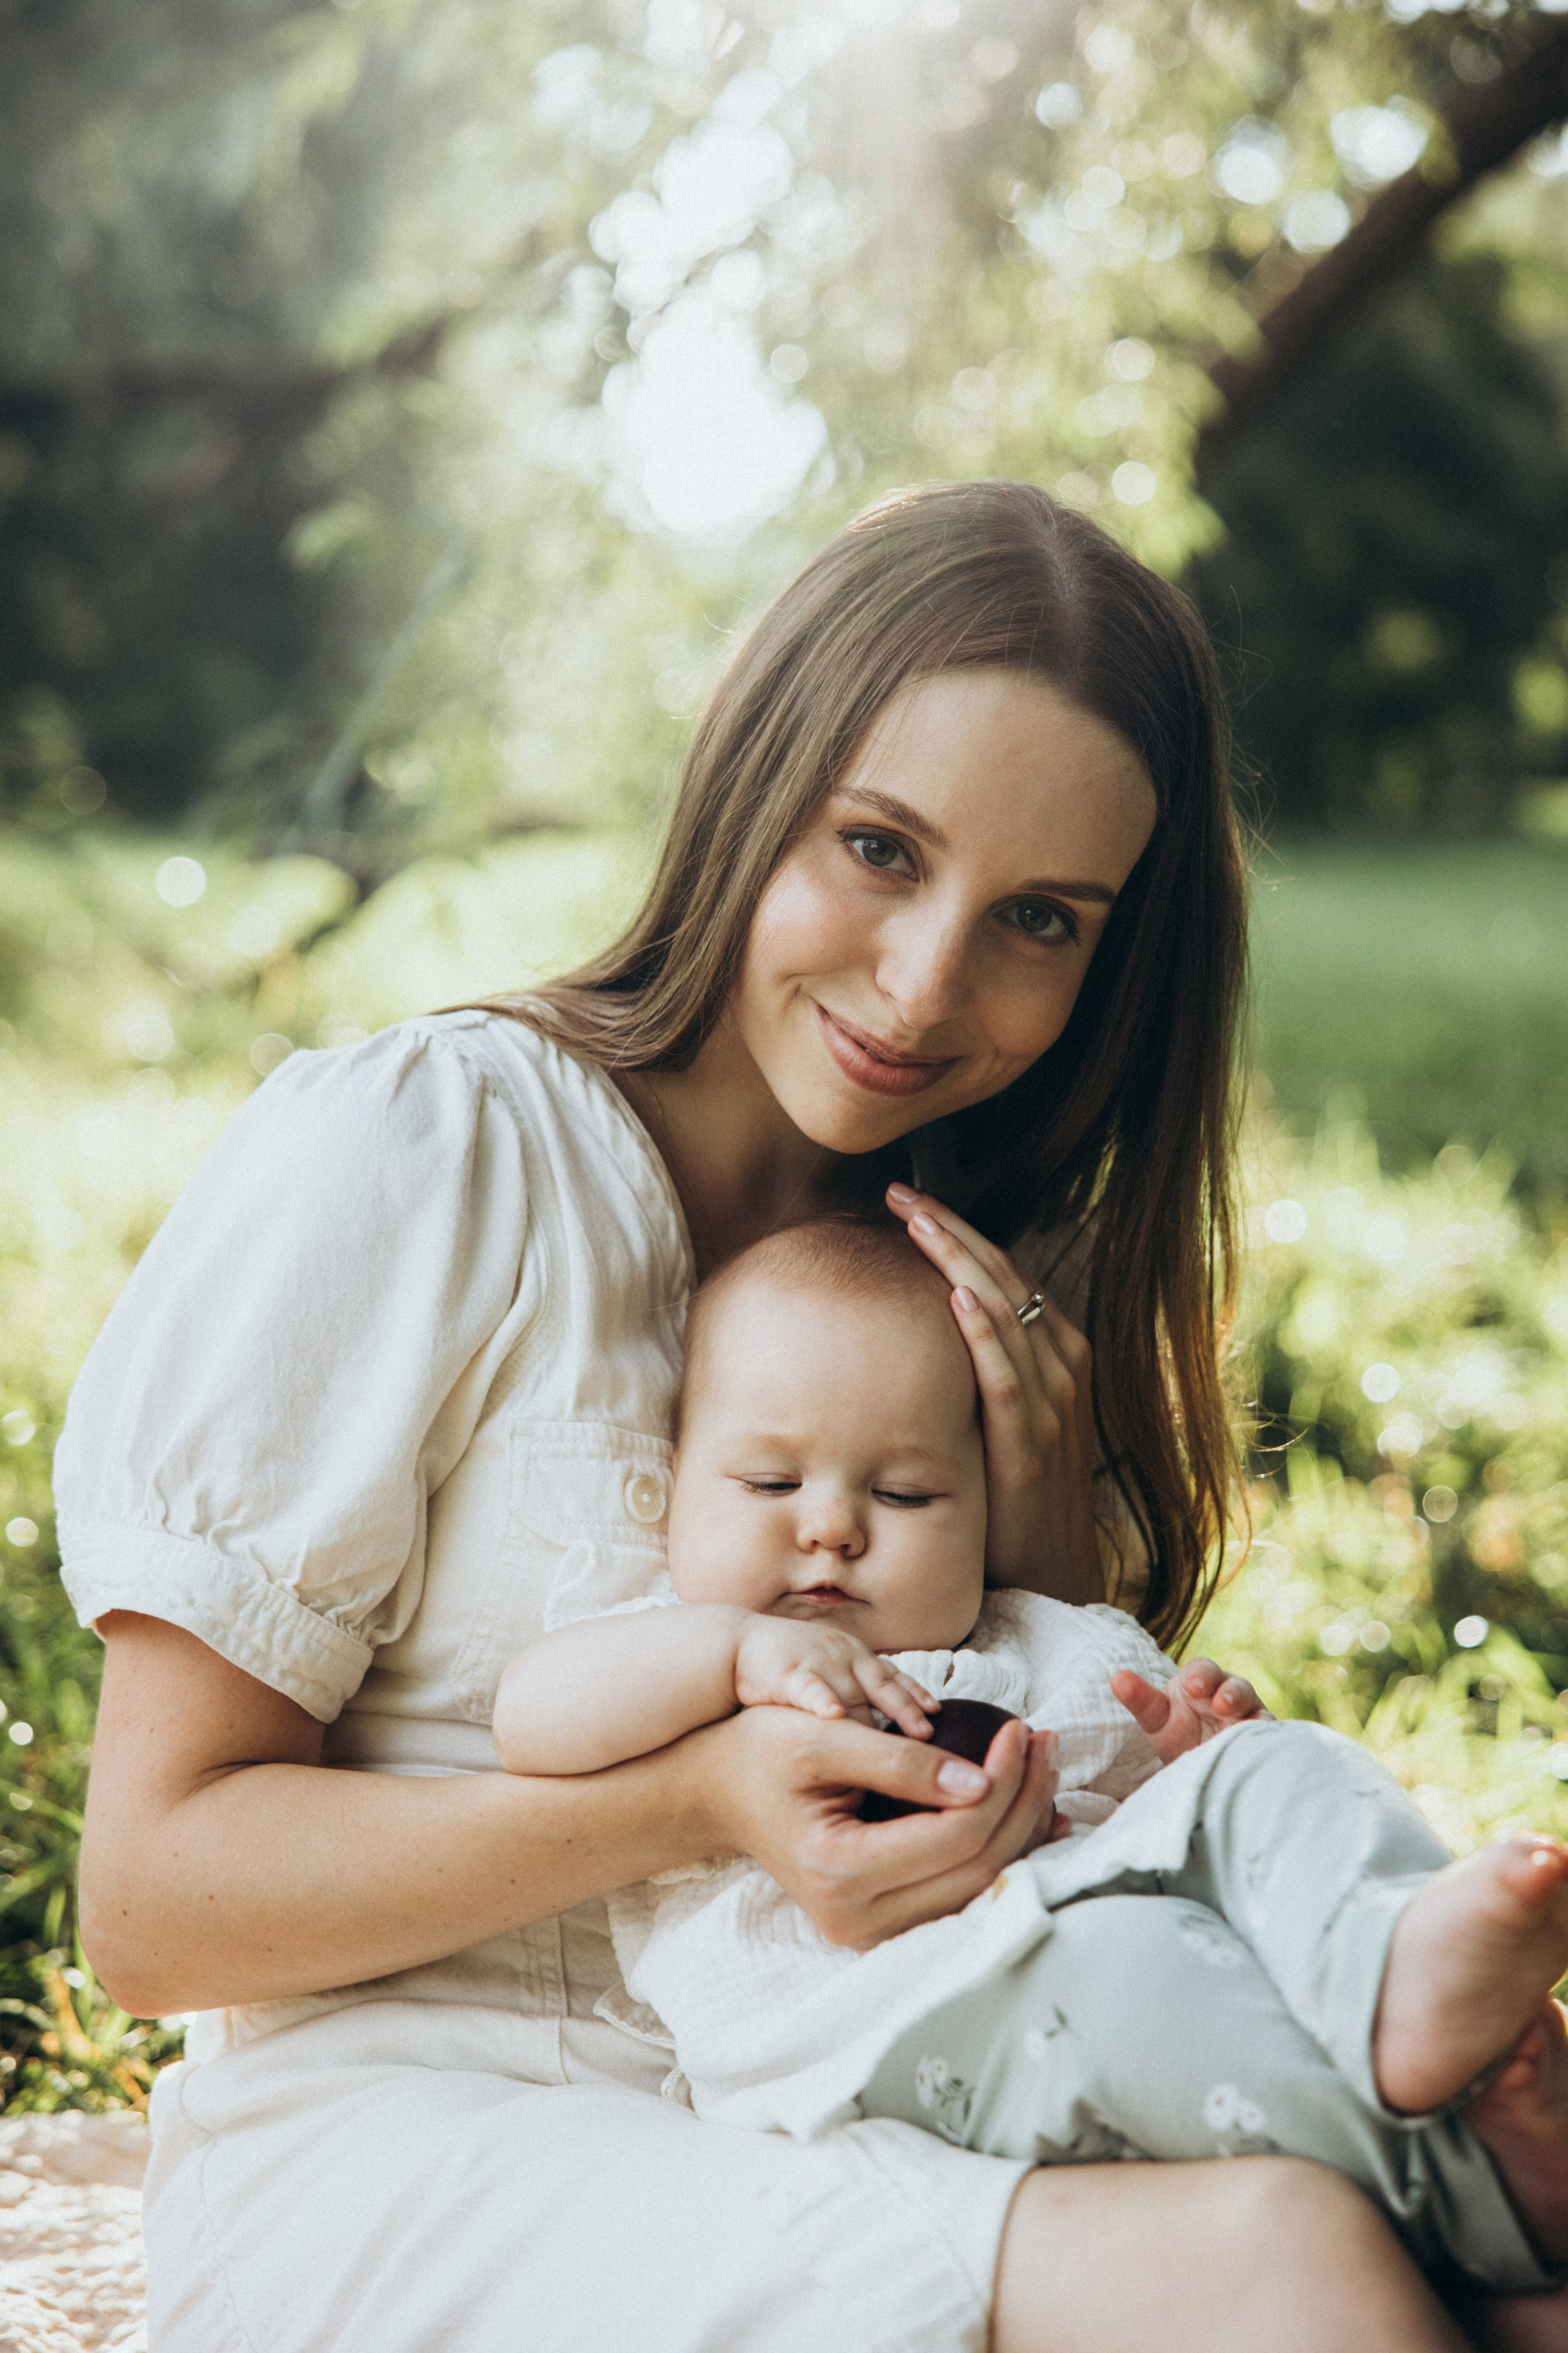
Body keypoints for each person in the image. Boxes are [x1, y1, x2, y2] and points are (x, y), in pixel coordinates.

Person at [59, 478, 1560, 2352]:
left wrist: (1044, 1553)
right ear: (753, 782)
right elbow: (150, 1900)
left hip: (875, 2069)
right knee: (1278, 2263)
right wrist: (693, 1799)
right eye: (876, 847)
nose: (927, 985)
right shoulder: (434, 1148)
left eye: (1040, 917)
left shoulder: (980, 1272)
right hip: (417, 2134)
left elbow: (1021, 1747)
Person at [494, 1214, 1568, 2300]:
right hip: (882, 2024)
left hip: (1102, 1929)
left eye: (905, 1494)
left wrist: (1196, 1756)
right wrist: (735, 1651)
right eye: (770, 1483)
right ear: (677, 1480)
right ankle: (1472, 2183)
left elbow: (1149, 1786)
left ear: (982, 1509)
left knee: (1283, 1764)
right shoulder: (674, 1643)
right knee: (1141, 1982)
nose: (831, 1527)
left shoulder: (1023, 1634)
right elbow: (529, 1719)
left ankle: (1390, 1963)